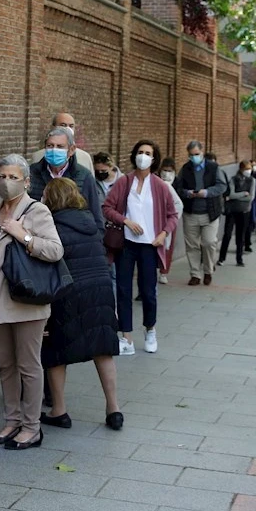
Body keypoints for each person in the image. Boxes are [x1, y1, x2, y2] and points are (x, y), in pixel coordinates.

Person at [0, 154, 65, 450]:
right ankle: (11, 421)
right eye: (2, 176)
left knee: (29, 365)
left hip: (26, 302)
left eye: (13, 177)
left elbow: (54, 250)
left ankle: (31, 427)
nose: (6, 182)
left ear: (26, 181)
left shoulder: (36, 210)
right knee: (5, 364)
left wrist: (23, 235)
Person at [39, 178, 123, 431]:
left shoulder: (52, 225)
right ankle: (114, 408)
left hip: (70, 292)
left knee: (54, 352)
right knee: (103, 349)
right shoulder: (88, 221)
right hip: (101, 288)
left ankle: (59, 410)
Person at [103, 140, 179, 355]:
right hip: (126, 244)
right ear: (134, 155)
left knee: (148, 292)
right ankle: (126, 337)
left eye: (147, 153)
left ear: (154, 159)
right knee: (124, 291)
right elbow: (107, 207)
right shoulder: (124, 182)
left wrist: (163, 234)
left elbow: (173, 215)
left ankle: (150, 329)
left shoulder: (160, 186)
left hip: (149, 245)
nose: (143, 156)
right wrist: (125, 221)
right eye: (140, 152)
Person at [172, 141, 226, 286]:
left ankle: (208, 270)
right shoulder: (186, 168)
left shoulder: (213, 168)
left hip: (210, 212)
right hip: (191, 212)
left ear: (202, 152)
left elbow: (222, 186)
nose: (194, 157)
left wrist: (207, 192)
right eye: (191, 155)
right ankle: (195, 273)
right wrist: (188, 193)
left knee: (209, 242)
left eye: (196, 154)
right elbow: (178, 188)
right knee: (192, 245)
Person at [28, 127, 103, 228]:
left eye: (60, 146)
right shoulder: (32, 173)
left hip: (72, 238)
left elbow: (96, 214)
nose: (54, 150)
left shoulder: (84, 176)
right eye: (50, 146)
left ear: (71, 150)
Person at [218, 160, 255, 268]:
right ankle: (221, 258)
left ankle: (239, 259)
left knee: (241, 235)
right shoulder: (233, 179)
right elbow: (232, 194)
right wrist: (243, 194)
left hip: (244, 210)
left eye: (250, 169)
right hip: (232, 210)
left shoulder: (252, 180)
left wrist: (235, 197)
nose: (249, 171)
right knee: (227, 234)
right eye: (247, 169)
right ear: (241, 169)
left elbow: (251, 197)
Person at [29, 112, 94, 172]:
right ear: (53, 127)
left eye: (71, 126)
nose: (67, 129)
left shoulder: (84, 157)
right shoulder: (37, 156)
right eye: (63, 125)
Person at [156, 158, 184, 284]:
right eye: (164, 170)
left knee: (168, 246)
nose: (167, 174)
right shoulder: (156, 180)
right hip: (156, 218)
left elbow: (179, 202)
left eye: (169, 171)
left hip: (170, 219)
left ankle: (164, 271)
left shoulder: (177, 183)